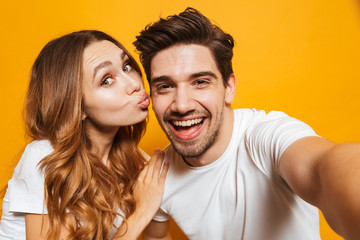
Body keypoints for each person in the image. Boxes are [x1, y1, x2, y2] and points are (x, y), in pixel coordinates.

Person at [133, 7, 360, 240]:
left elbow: (322, 168)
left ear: (228, 88)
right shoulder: (157, 177)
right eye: (165, 86)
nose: (181, 105)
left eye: (200, 82)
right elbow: (156, 236)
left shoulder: (267, 137)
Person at [0, 30, 169, 240]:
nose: (135, 84)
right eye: (106, 80)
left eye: (127, 67)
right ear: (78, 108)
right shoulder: (47, 159)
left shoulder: (137, 165)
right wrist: (142, 211)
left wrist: (157, 208)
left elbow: (158, 237)